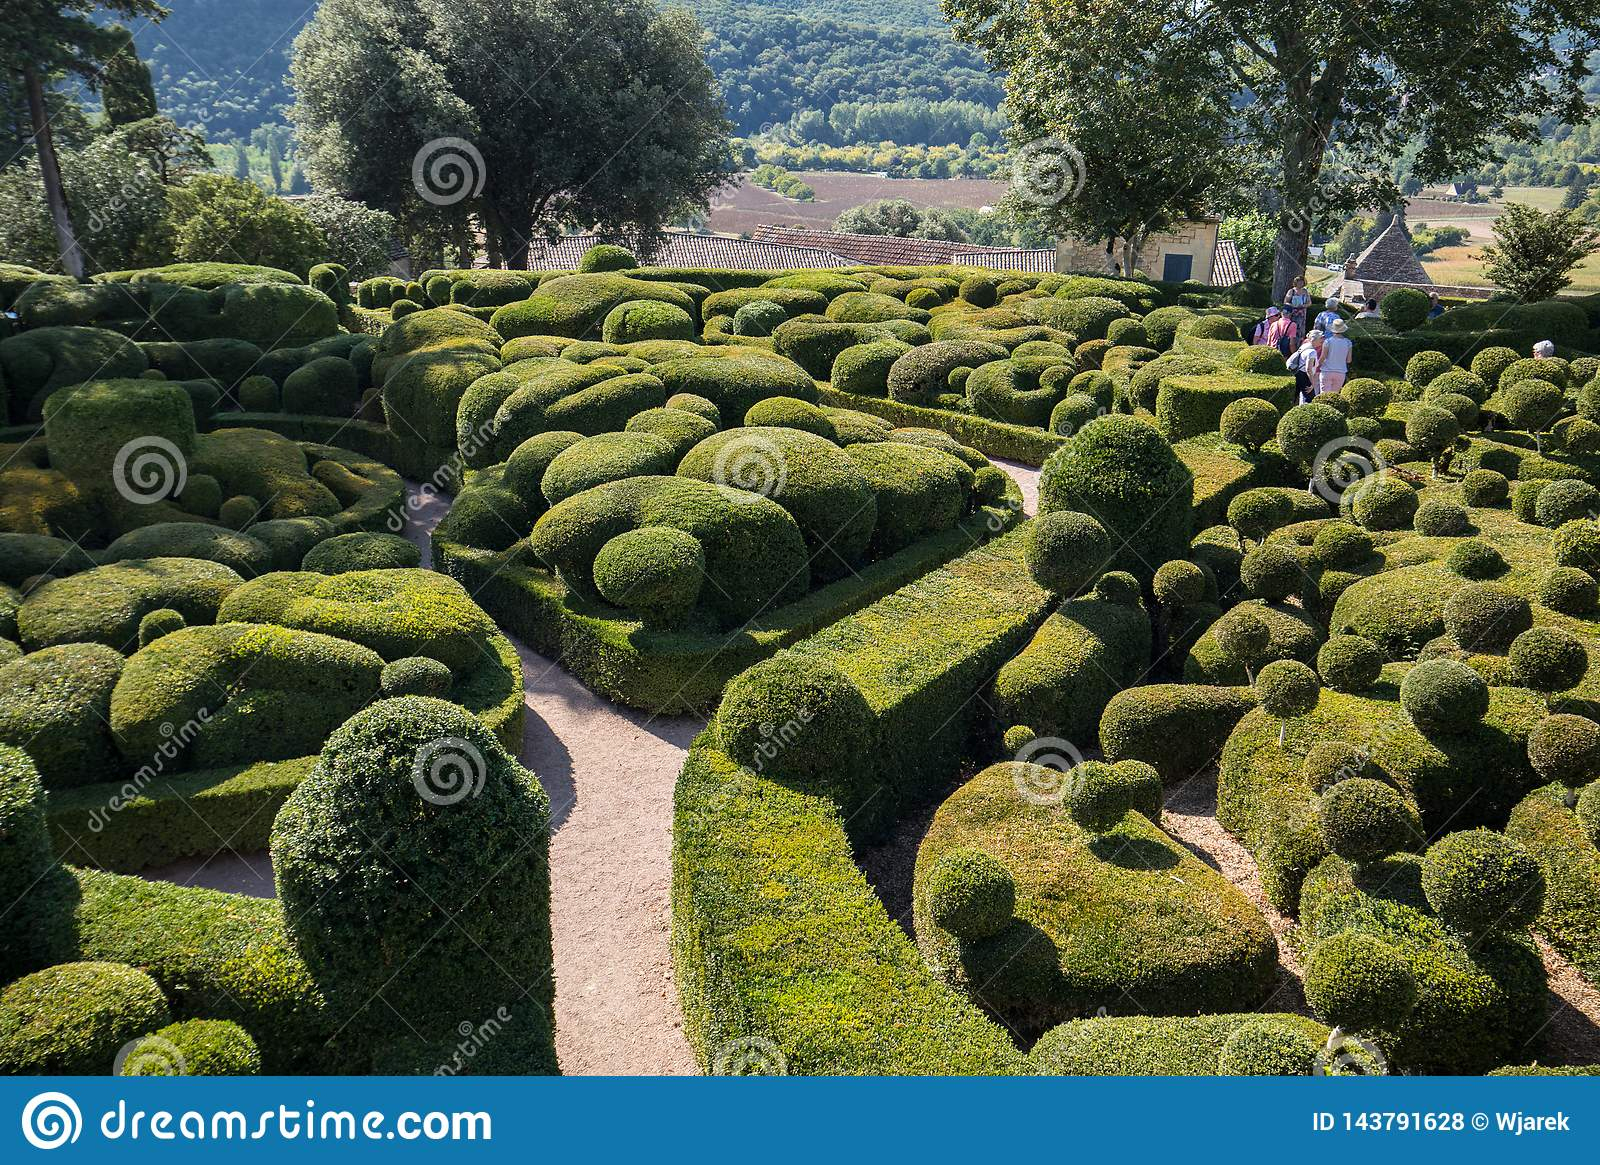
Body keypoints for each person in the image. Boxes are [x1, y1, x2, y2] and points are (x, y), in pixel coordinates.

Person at [1319, 317, 1353, 394]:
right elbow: (1349, 360)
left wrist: (1316, 365)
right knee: (1334, 395)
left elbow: (1323, 357)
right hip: (1341, 372)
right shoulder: (1348, 343)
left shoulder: (1328, 341)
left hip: (1326, 371)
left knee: (1324, 395)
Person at [1288, 330, 1323, 403]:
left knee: (1294, 398)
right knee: (1311, 400)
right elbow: (1308, 369)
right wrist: (1313, 384)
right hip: (1304, 376)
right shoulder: (1312, 352)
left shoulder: (1305, 346)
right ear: (1314, 339)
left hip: (1297, 374)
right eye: (1320, 338)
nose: (1322, 340)